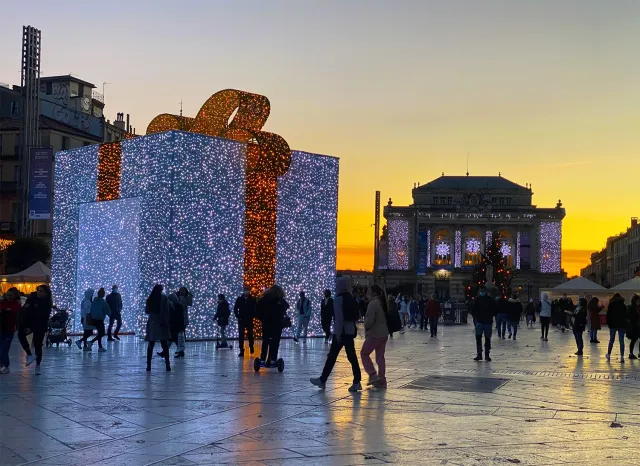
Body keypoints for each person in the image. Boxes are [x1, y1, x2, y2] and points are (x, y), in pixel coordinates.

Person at [311, 277, 362, 392]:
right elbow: (357, 315)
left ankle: (323, 380)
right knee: (352, 357)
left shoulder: (338, 299)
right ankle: (357, 381)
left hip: (341, 331)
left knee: (332, 356)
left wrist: (337, 334)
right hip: (349, 331)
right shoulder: (352, 298)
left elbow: (339, 318)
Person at [17, 285, 53, 375]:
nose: (38, 292)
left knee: (38, 344)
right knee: (20, 334)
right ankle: (29, 354)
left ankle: (38, 365)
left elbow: (43, 316)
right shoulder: (32, 298)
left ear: (46, 293)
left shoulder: (47, 302)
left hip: (40, 325)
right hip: (30, 323)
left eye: (41, 291)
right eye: (38, 290)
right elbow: (25, 310)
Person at [361, 285, 389, 388]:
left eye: (368, 291)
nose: (367, 294)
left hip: (375, 334)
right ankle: (382, 380)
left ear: (373, 293)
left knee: (364, 353)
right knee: (380, 358)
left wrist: (366, 326)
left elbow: (369, 321)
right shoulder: (382, 303)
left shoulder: (373, 304)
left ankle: (372, 375)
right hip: (384, 333)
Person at [256, 285, 289, 365]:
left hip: (266, 324)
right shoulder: (281, 300)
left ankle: (263, 359)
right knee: (275, 342)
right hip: (277, 324)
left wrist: (263, 319)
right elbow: (286, 307)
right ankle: (273, 359)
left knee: (266, 341)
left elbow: (257, 310)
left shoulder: (264, 299)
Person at [145, 284, 171, 372]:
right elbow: (166, 310)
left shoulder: (150, 298)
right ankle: (167, 365)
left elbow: (147, 311)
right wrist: (167, 322)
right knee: (164, 344)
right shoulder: (164, 298)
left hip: (152, 322)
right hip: (161, 323)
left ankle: (148, 365)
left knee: (151, 344)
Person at [471, 286, 497, 361]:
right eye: (481, 291)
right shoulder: (480, 300)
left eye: (483, 291)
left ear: (485, 291)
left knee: (486, 339)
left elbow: (494, 310)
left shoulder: (487, 300)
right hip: (484, 321)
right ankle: (482, 354)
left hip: (485, 321)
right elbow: (474, 310)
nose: (482, 292)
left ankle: (484, 354)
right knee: (480, 338)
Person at [0, 287, 22, 374]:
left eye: (11, 295)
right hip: (1, 329)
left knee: (4, 349)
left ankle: (6, 366)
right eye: (8, 295)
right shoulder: (2, 303)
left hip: (9, 329)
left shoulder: (16, 305)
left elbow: (18, 315)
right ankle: (2, 364)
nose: (9, 297)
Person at [159, 293, 184, 358]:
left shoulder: (175, 306)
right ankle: (180, 352)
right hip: (174, 325)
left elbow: (180, 318)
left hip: (175, 325)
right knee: (174, 339)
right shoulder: (176, 306)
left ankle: (164, 352)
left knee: (171, 339)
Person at [234, 286, 256, 357]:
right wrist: (238, 316)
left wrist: (253, 315)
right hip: (241, 320)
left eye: (247, 290)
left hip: (249, 319)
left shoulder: (252, 299)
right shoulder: (239, 299)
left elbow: (255, 308)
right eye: (245, 290)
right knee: (241, 335)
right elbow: (235, 308)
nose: (246, 291)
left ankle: (251, 346)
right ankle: (241, 349)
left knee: (250, 334)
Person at [88, 288, 111, 352]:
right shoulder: (103, 302)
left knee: (99, 333)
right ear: (103, 294)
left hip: (93, 319)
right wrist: (110, 316)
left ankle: (100, 347)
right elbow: (108, 311)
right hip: (99, 320)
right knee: (102, 333)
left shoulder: (94, 301)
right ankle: (91, 342)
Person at [606, 293, 627, 362]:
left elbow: (608, 315)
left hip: (613, 325)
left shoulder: (611, 305)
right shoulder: (623, 306)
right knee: (621, 340)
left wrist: (609, 324)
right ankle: (622, 356)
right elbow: (626, 315)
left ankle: (608, 354)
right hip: (622, 325)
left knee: (611, 340)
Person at [176, 287, 192, 357]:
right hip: (178, 317)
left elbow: (189, 304)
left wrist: (190, 297)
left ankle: (181, 350)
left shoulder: (186, 297)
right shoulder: (177, 297)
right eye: (181, 290)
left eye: (184, 290)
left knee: (181, 333)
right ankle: (180, 349)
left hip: (183, 318)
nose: (182, 291)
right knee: (179, 334)